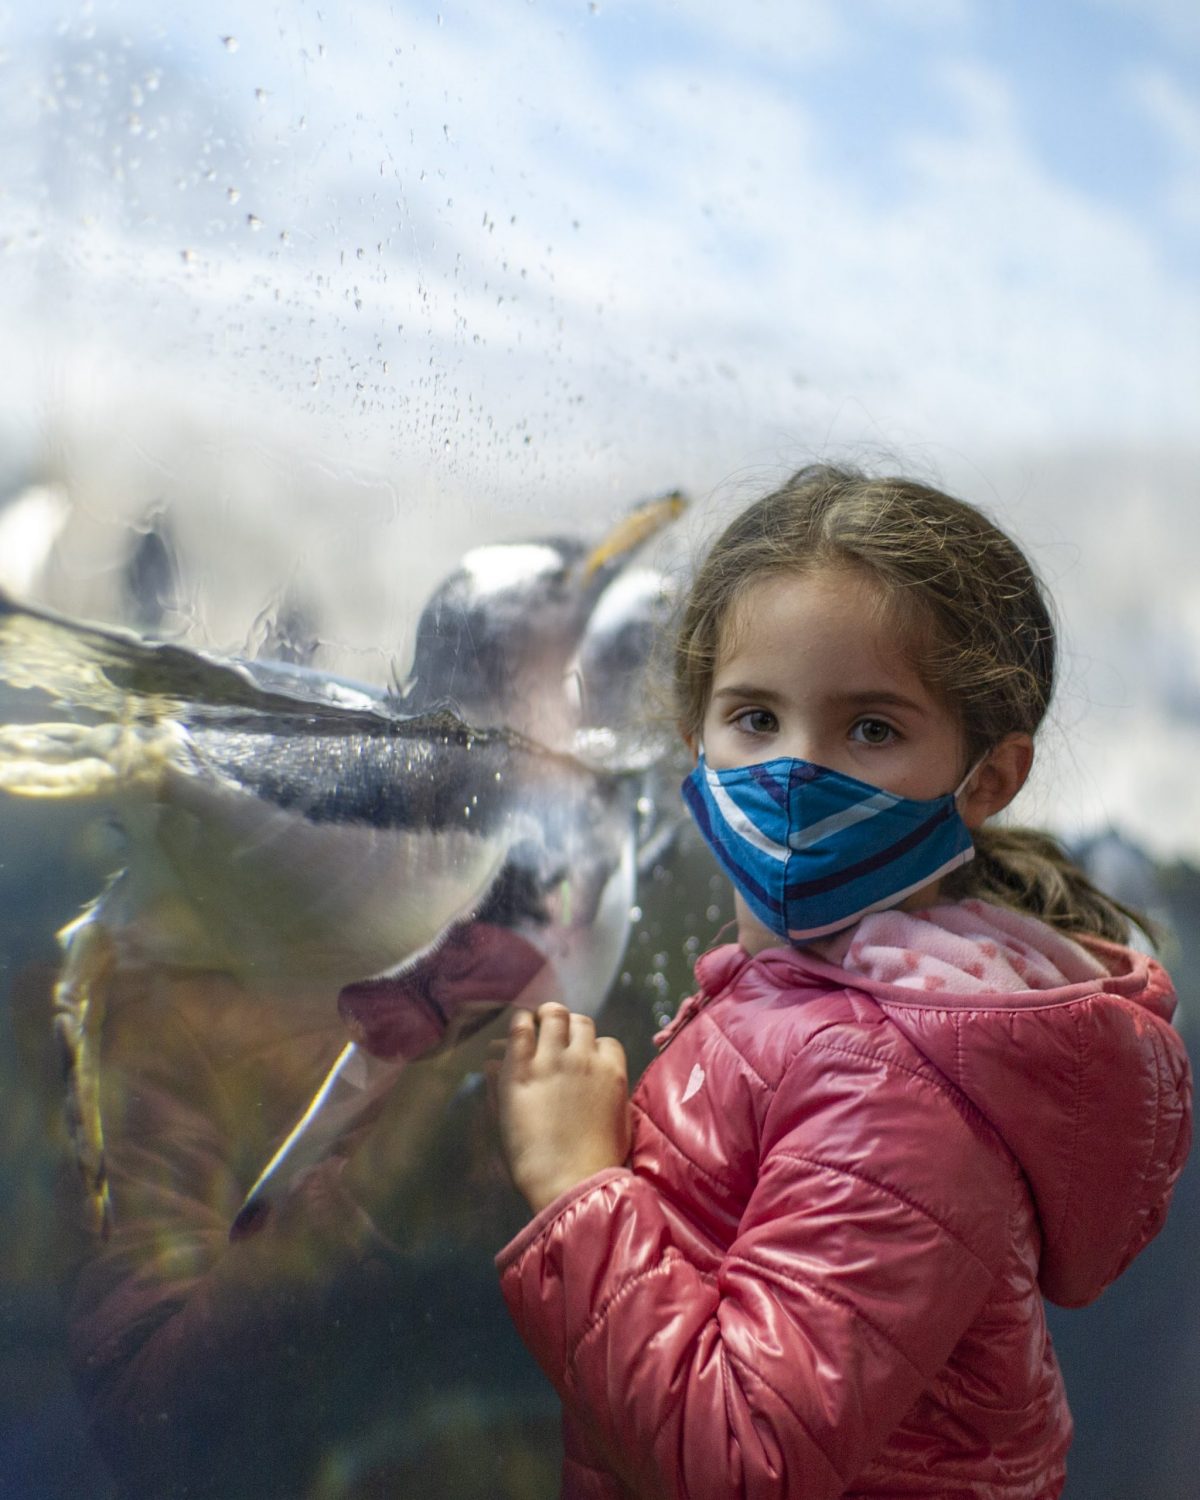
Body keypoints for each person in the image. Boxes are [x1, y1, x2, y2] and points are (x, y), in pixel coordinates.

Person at [490, 465, 1193, 1500]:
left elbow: (743, 1464)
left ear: (987, 778)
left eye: (871, 729)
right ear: (696, 739)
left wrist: (575, 1186)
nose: (795, 773)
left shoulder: (891, 1080)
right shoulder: (814, 1009)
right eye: (756, 719)